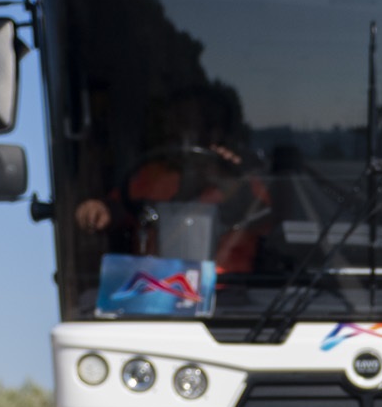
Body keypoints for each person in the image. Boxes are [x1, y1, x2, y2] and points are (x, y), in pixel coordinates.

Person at [73, 84, 272, 273]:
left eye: (184, 123)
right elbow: (119, 208)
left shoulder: (240, 179)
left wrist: (227, 179)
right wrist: (99, 210)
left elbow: (270, 222)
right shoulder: (151, 175)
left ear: (214, 132)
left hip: (231, 293)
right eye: (171, 123)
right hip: (157, 293)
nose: (173, 132)